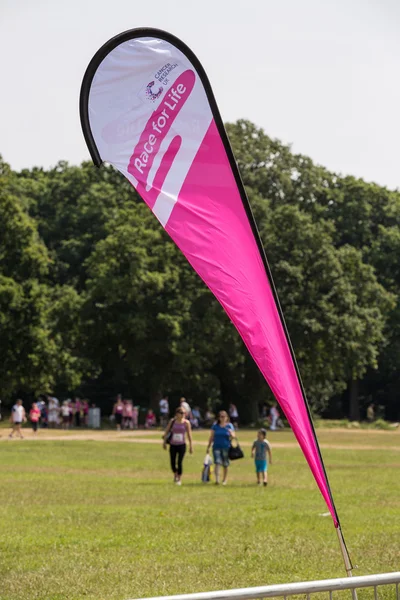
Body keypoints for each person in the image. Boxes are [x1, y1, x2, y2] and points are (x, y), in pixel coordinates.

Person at [163, 407, 193, 485]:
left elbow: (189, 435)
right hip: (173, 444)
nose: (183, 415)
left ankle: (179, 478)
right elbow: (166, 431)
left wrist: (191, 446)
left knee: (179, 462)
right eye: (181, 413)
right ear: (177, 414)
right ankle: (175, 473)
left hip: (182, 445)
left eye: (184, 413)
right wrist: (164, 442)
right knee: (172, 462)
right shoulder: (172, 421)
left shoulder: (186, 423)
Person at [206, 410, 235, 485]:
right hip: (216, 447)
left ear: (226, 417)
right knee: (217, 462)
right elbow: (211, 437)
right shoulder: (215, 426)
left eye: (224, 417)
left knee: (225, 464)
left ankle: (224, 480)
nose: (222, 418)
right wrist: (208, 446)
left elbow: (233, 436)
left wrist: (231, 433)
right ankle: (217, 480)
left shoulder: (229, 426)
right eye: (221, 417)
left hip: (226, 447)